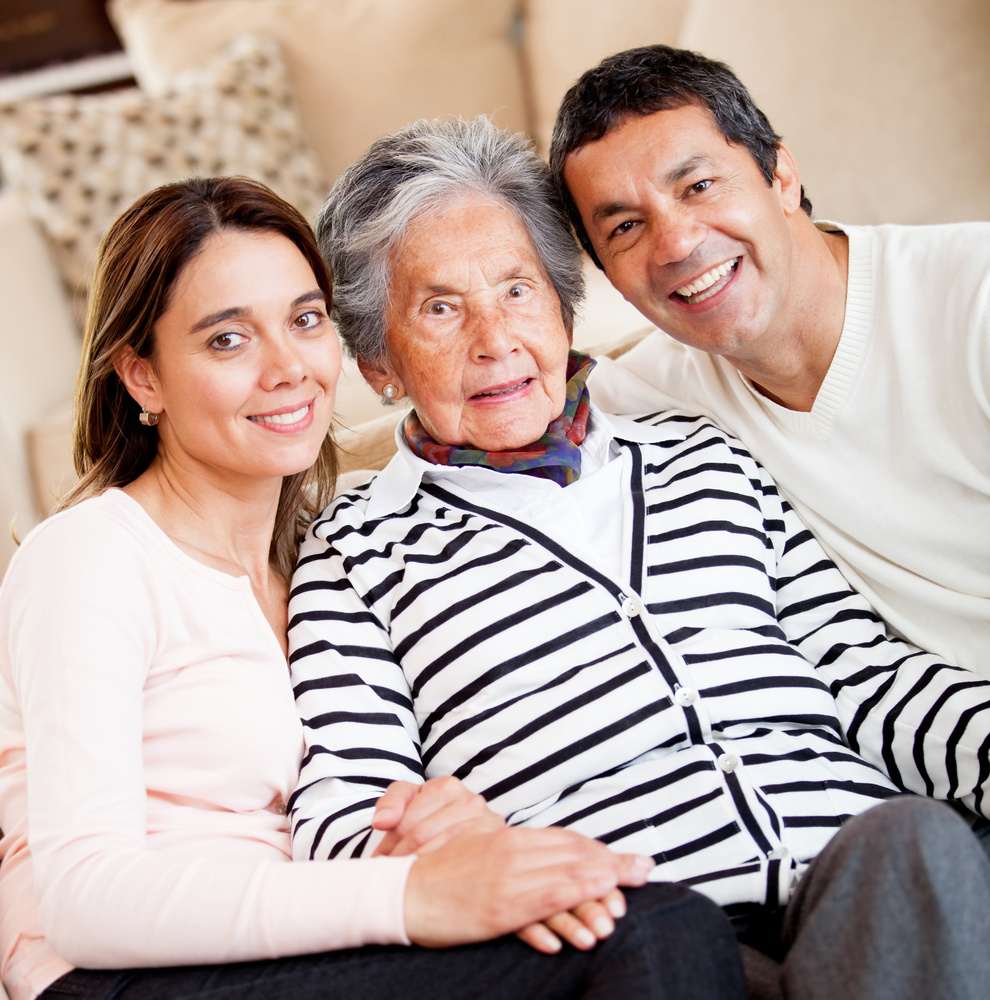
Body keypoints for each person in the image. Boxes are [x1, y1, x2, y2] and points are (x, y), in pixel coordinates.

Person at [288, 115, 990, 1000]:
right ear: (378, 364)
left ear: (563, 304)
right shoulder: (358, 551)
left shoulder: (705, 456)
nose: (495, 340)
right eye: (440, 309)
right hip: (648, 936)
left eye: (518, 290)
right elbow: (342, 806)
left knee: (922, 839)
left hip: (863, 887)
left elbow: (869, 677)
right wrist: (438, 850)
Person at [0, 175, 748, 1000]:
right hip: (121, 978)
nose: (287, 368)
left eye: (304, 320)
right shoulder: (91, 555)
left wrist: (434, 831)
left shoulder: (322, 555)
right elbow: (86, 901)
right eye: (226, 340)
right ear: (142, 378)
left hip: (303, 955)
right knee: (654, 932)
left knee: (621, 912)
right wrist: (415, 893)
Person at [547, 44, 990, 675]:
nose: (676, 243)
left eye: (698, 186)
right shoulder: (649, 395)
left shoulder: (973, 298)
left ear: (780, 177)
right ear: (609, 276)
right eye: (625, 228)